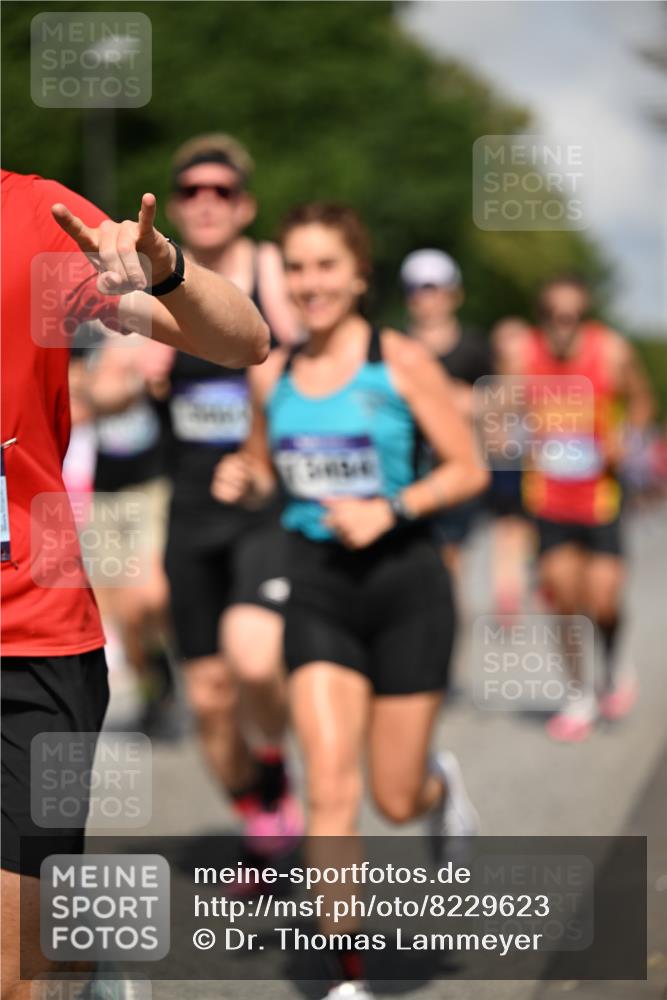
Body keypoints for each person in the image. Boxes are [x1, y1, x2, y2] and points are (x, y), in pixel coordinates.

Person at [1, 167, 268, 1000]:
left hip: (27, 641)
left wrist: (167, 269)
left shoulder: (35, 220)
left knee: (17, 972)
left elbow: (243, 342)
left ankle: (80, 967)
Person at [213, 203, 489, 998]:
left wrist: (390, 508)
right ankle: (346, 978)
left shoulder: (398, 361)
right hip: (317, 588)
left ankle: (438, 788)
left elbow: (467, 469)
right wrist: (242, 476)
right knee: (330, 788)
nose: (310, 284)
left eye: (326, 266)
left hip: (406, 587)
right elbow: (264, 470)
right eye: (297, 268)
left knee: (392, 798)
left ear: (359, 275)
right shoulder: (274, 375)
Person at [160, 135, 302, 851]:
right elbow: (122, 376)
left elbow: (292, 361)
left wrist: (254, 454)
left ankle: (274, 767)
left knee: (254, 659)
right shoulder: (155, 273)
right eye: (192, 191)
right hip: (188, 513)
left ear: (245, 206)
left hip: (262, 504)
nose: (207, 202)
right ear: (175, 206)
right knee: (210, 699)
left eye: (222, 191)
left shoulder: (271, 267)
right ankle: (261, 817)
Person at [515, 275, 655, 741]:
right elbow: (502, 409)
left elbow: (642, 400)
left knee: (604, 599)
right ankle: (578, 693)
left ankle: (614, 664)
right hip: (549, 498)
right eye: (554, 317)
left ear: (585, 318)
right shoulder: (524, 355)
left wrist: (627, 439)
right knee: (563, 597)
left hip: (600, 497)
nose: (564, 327)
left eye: (573, 317)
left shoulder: (611, 351)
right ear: (542, 318)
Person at [400, 249, 493, 581]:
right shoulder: (397, 345)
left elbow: (499, 402)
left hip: (456, 469)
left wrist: (472, 402)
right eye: (417, 289)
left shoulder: (474, 346)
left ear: (454, 294)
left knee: (448, 562)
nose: (427, 299)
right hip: (409, 470)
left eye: (434, 289)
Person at [485, 317, 535, 618]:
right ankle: (507, 593)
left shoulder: (540, 376)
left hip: (537, 468)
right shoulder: (497, 383)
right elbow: (492, 430)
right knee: (507, 532)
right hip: (507, 467)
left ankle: (524, 581)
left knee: (526, 532)